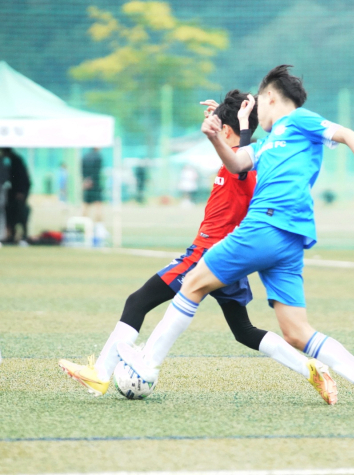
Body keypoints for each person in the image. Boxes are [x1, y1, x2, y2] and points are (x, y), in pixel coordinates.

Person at [118, 65, 354, 419]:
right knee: (297, 333)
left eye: (259, 104)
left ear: (269, 97)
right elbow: (237, 163)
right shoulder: (267, 144)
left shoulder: (297, 121)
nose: (256, 113)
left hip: (266, 224)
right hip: (289, 240)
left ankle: (146, 366)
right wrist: (215, 137)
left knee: (192, 283)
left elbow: (349, 134)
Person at [59, 90, 338, 405]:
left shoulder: (243, 166)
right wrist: (228, 113)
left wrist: (241, 123)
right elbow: (236, 146)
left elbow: (240, 161)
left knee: (137, 301)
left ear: (229, 132)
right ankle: (311, 368)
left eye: (219, 127)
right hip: (228, 257)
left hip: (206, 255)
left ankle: (102, 373)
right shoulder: (241, 159)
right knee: (243, 331)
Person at [0, 147, 31, 245]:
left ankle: (23, 236)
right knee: (11, 214)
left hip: (18, 193)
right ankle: (12, 235)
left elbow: (23, 179)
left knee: (20, 214)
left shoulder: (16, 161)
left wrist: (21, 192)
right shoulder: (10, 161)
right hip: (12, 193)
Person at [82, 147, 103, 222]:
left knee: (85, 205)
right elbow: (97, 171)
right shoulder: (98, 157)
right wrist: (92, 180)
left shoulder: (85, 156)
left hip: (87, 184)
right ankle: (99, 226)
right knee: (98, 206)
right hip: (95, 184)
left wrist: (86, 180)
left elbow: (82, 170)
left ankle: (82, 225)